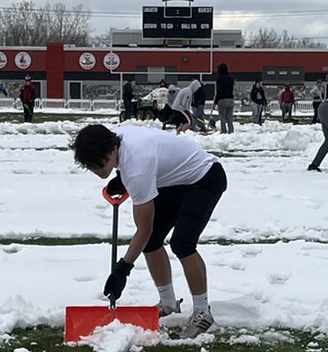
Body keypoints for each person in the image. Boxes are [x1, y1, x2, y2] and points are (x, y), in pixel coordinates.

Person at [71, 120, 226, 338]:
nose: (97, 171)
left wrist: (123, 269)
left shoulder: (137, 170)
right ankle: (168, 302)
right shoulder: (113, 139)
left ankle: (203, 312)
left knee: (182, 244)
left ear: (112, 149)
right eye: (92, 167)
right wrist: (120, 177)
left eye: (101, 164)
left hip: (205, 178)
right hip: (174, 180)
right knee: (153, 241)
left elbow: (143, 229)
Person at [213, 63, 236, 133]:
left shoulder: (220, 79)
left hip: (222, 100)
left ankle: (224, 131)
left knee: (222, 117)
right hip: (231, 99)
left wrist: (215, 102)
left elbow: (219, 91)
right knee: (229, 117)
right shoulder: (231, 79)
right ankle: (231, 131)